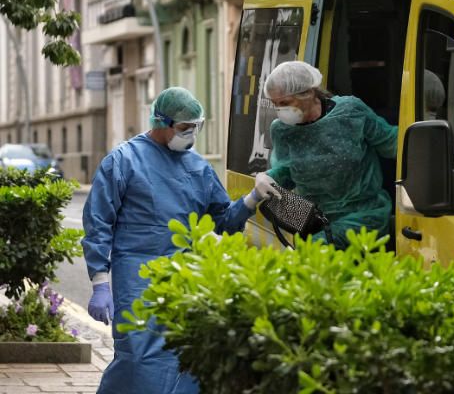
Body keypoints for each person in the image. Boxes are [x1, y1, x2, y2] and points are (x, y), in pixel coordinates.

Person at [82, 87, 265, 394]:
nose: (191, 134)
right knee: (137, 358)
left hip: (187, 276)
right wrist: (100, 281)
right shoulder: (123, 160)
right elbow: (99, 221)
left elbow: (221, 222)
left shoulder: (198, 167)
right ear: (161, 122)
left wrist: (251, 199)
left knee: (186, 356)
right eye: (184, 128)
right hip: (138, 277)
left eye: (196, 127)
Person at [253, 61, 398, 249]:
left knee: (312, 254)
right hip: (314, 221)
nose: (280, 110)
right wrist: (267, 178)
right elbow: (287, 171)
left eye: (285, 103)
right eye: (276, 105)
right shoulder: (281, 130)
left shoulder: (350, 112)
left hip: (363, 216)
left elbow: (391, 142)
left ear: (308, 93)